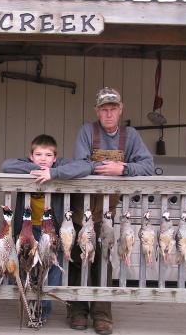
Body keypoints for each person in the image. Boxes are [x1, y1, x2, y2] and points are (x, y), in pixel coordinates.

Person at [68, 87, 153, 335]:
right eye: (104, 109)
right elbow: (80, 164)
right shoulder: (87, 130)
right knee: (78, 257)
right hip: (80, 209)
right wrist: (105, 168)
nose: (108, 113)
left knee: (103, 260)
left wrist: (123, 169)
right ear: (97, 111)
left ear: (120, 110)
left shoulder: (131, 135)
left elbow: (148, 165)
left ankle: (102, 314)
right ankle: (77, 310)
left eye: (113, 109)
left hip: (107, 212)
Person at [1, 134, 94, 327]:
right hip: (28, 228)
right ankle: (30, 305)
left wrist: (54, 173)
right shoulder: (27, 166)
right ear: (31, 156)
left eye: (48, 155)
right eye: (38, 154)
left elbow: (86, 166)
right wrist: (37, 169)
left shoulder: (60, 167)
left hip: (52, 230)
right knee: (29, 266)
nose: (43, 158)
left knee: (51, 267)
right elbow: (7, 166)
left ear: (56, 157)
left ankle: (43, 309)